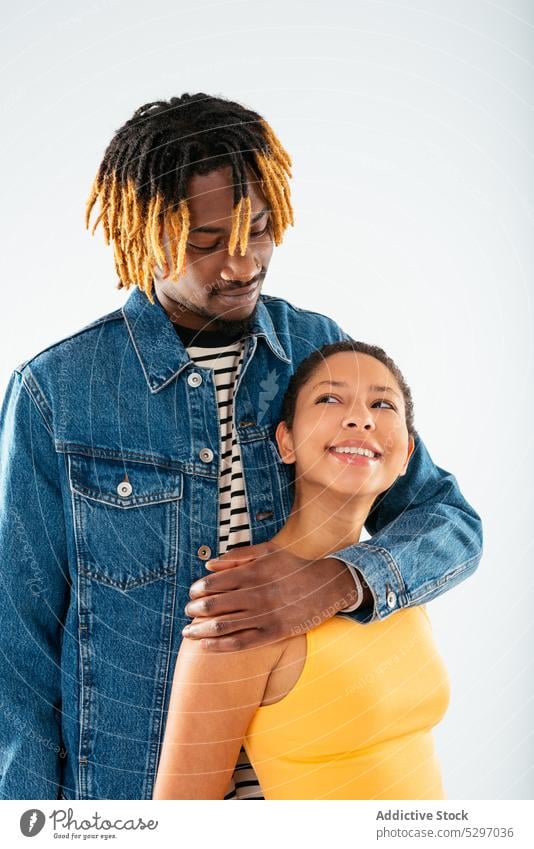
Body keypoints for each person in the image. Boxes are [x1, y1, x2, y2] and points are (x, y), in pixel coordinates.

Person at [0, 94, 481, 800]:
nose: (243, 262)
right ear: (143, 237)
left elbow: (450, 520)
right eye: (208, 240)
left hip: (310, 790)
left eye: (260, 229)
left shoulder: (317, 351)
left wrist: (337, 580)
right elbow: (17, 653)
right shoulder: (56, 393)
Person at [153, 340, 451, 800]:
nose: (361, 418)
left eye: (382, 403)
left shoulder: (400, 587)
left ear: (407, 455)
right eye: (330, 399)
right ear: (286, 441)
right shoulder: (242, 607)